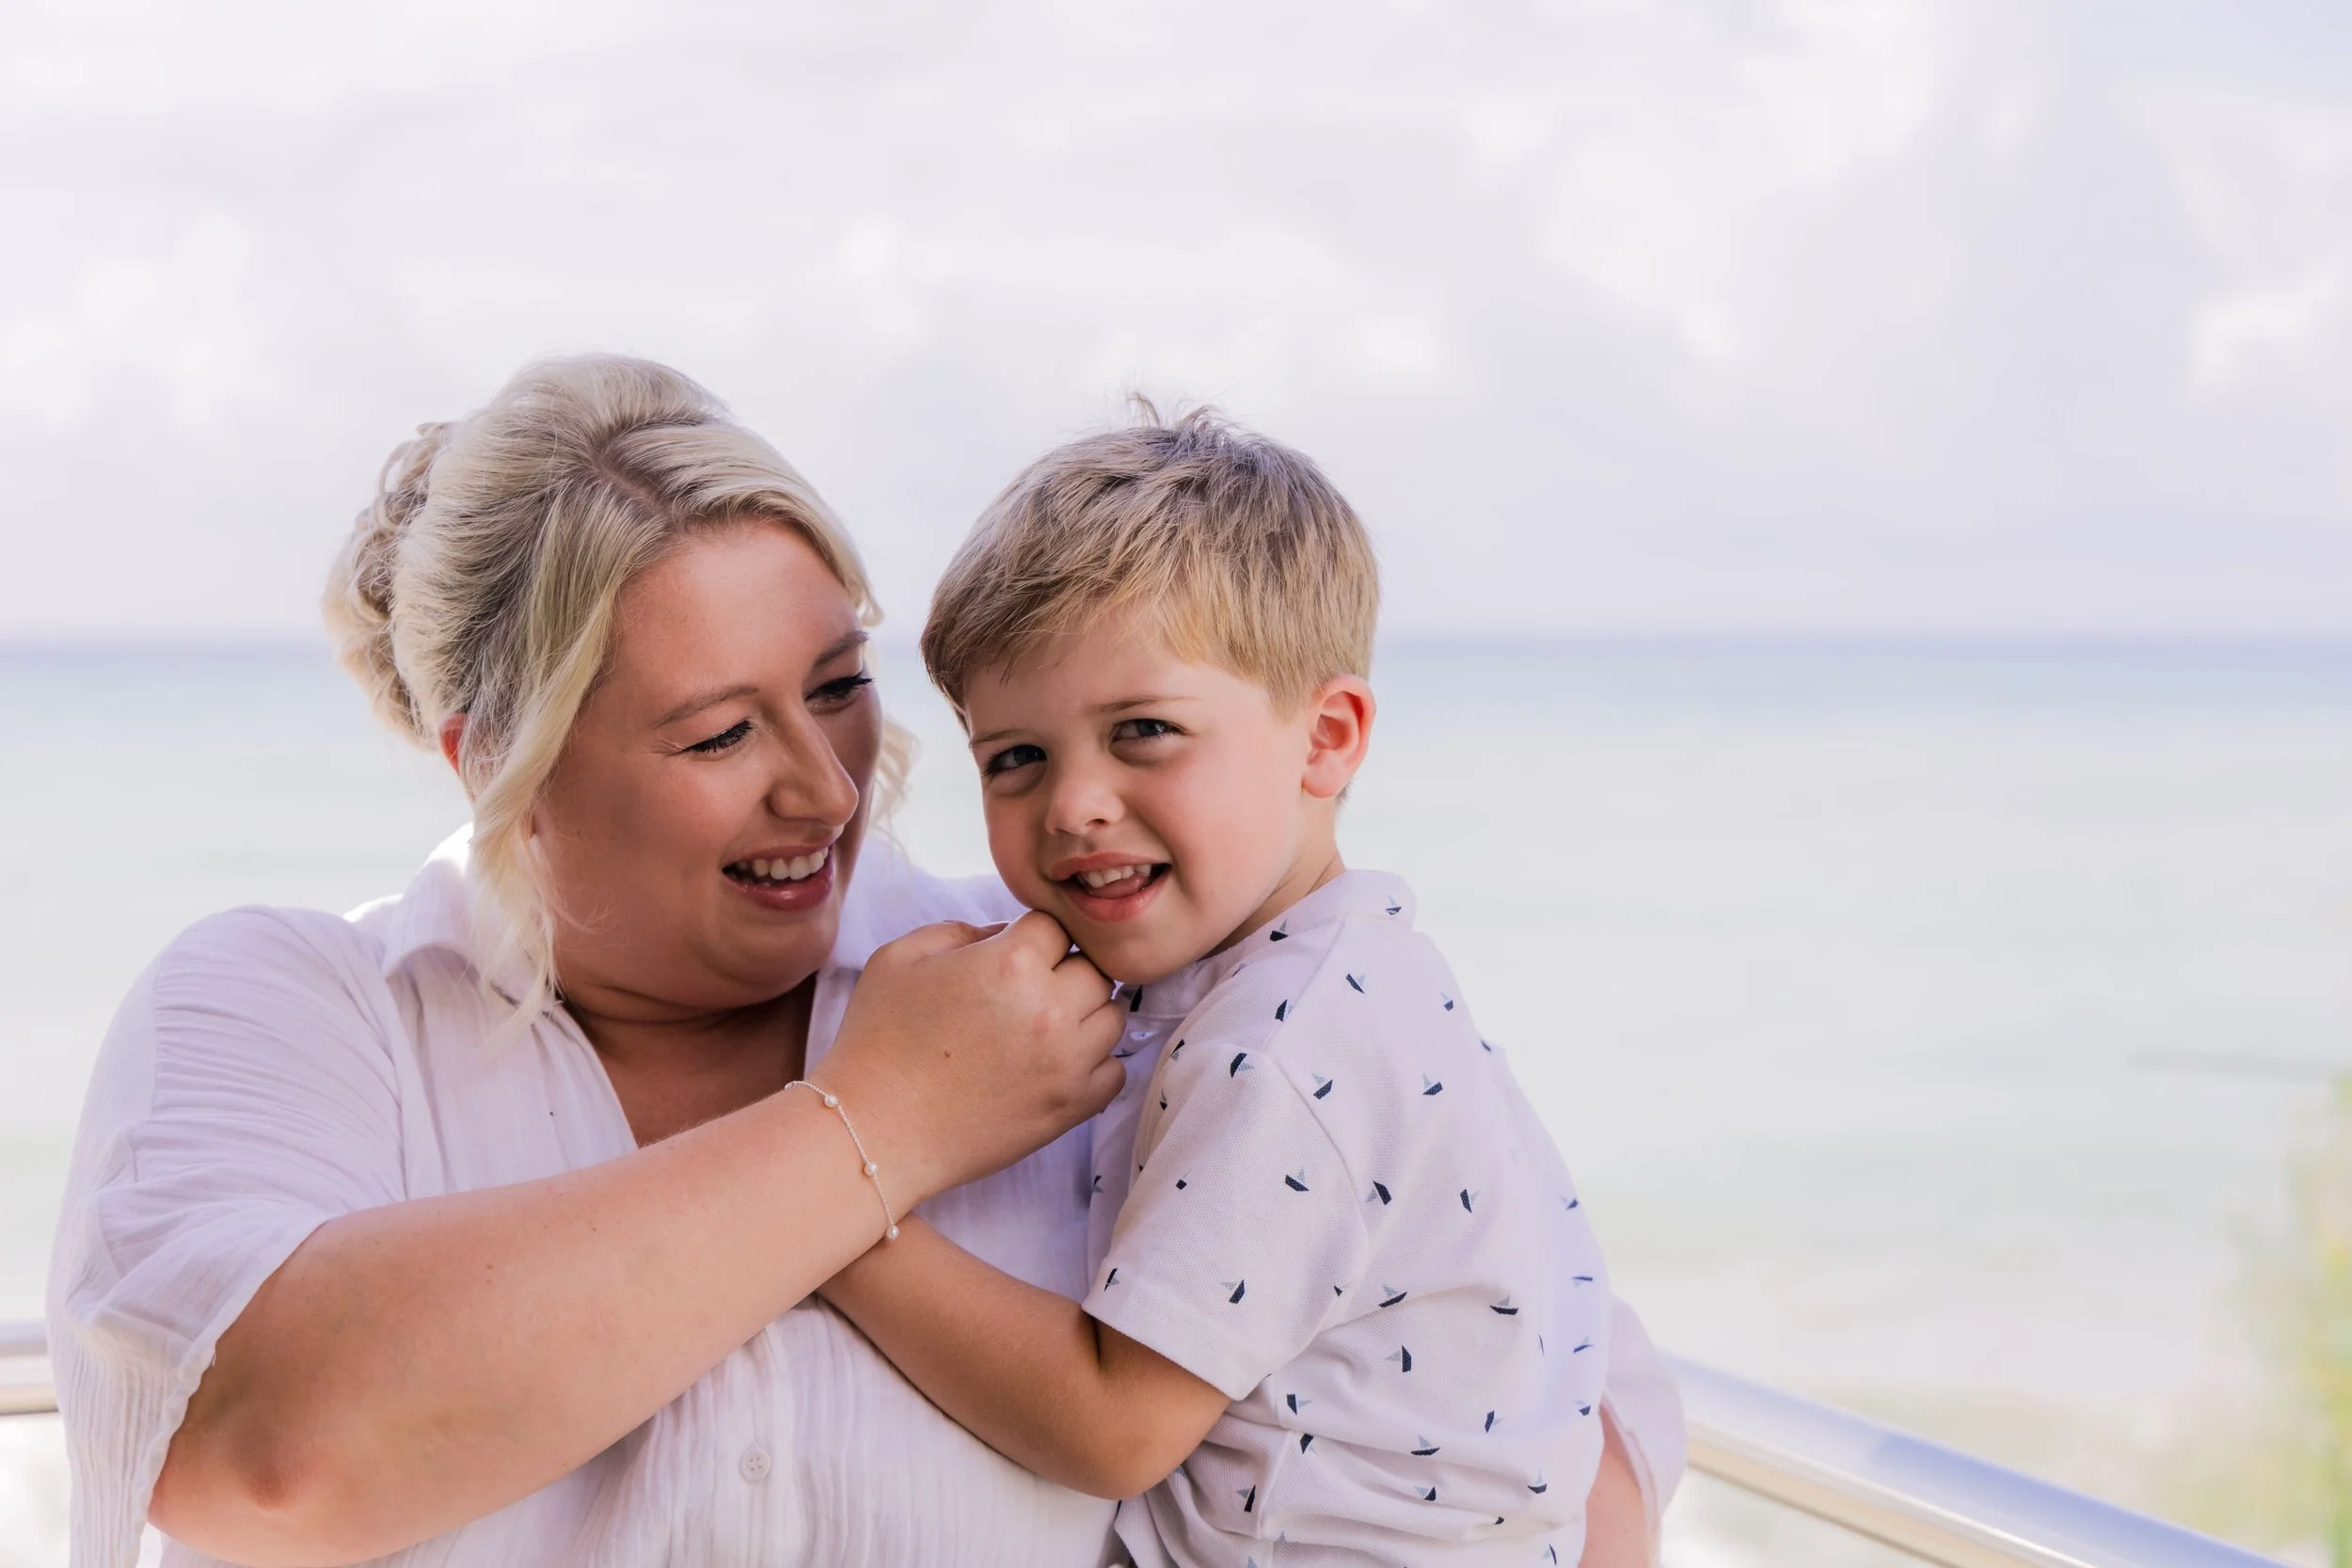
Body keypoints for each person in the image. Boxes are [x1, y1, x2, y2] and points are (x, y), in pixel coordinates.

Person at [45, 355, 1676, 1568]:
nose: (825, 785)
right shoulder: (288, 1011)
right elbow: (259, 1450)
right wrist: (872, 1131)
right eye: (716, 730)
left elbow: (1558, 1424)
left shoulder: (1116, 980)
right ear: (502, 766)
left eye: (836, 684)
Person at [818, 406, 1679, 1567]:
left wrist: (839, 1211)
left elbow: (1112, 1420)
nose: (1072, 802)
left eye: (1144, 731)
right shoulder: (1352, 967)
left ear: (1326, 738)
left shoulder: (1281, 1043)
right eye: (1013, 756)